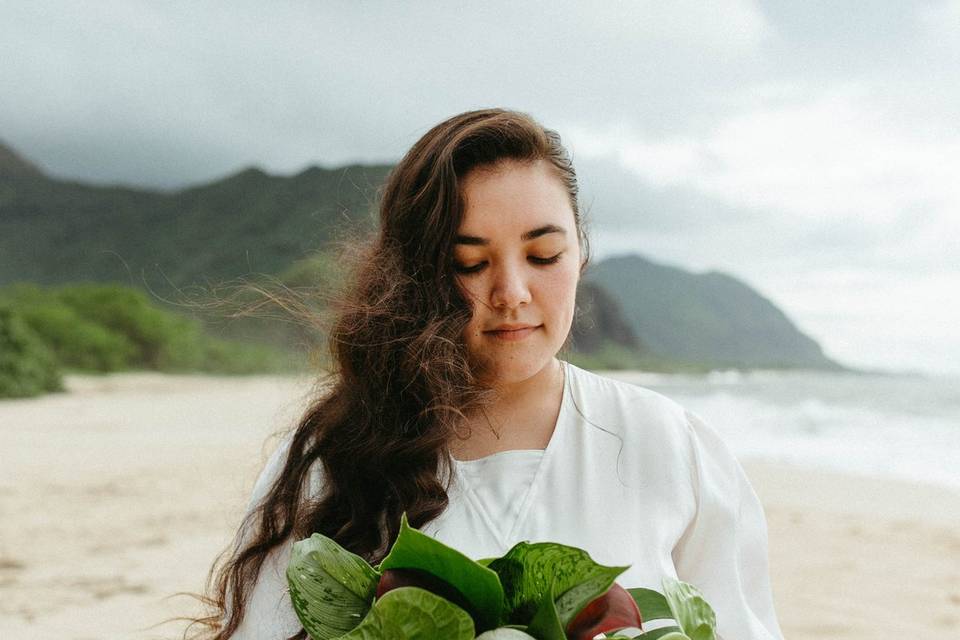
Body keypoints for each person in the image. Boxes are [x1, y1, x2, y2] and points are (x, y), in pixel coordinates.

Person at [187, 109, 785, 640]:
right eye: (469, 263)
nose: (512, 293)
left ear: (581, 252)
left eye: (543, 255)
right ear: (415, 276)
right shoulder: (337, 455)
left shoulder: (669, 445)